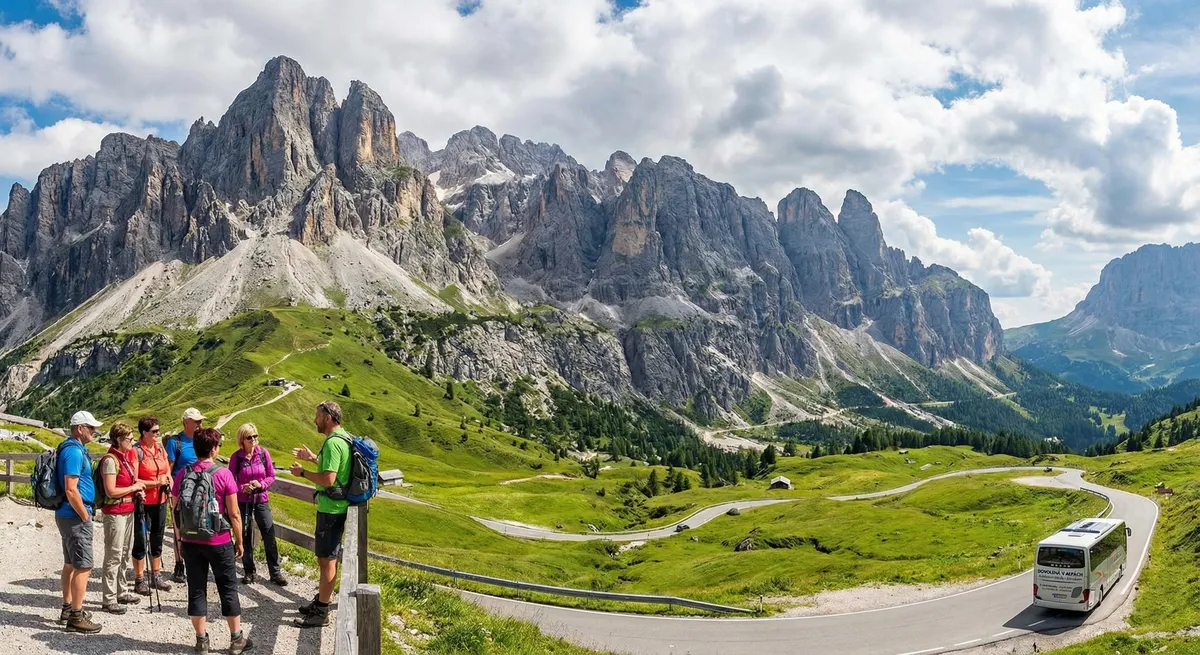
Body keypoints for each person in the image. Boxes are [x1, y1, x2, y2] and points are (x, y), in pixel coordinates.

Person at [172, 427, 252, 654]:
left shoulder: (183, 473)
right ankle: (236, 639)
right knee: (227, 587)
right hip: (218, 540)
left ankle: (201, 641)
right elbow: (234, 513)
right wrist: (239, 540)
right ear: (214, 449)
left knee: (196, 588)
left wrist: (179, 539)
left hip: (190, 541)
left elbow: (176, 509)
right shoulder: (223, 474)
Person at [290, 400, 351, 627]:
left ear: (327, 417)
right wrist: (313, 458)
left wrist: (303, 472)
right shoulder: (342, 437)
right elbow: (332, 468)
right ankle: (321, 600)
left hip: (332, 510)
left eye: (317, 416)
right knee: (324, 558)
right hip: (332, 509)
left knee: (327, 561)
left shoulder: (334, 443)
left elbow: (328, 478)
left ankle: (322, 612)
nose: (314, 420)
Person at [56, 411, 103, 633]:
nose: (95, 431)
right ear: (80, 428)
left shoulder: (68, 448)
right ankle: (76, 616)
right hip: (75, 515)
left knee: (69, 563)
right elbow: (71, 489)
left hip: (66, 515)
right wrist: (85, 516)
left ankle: (68, 607)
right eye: (91, 427)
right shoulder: (74, 452)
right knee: (84, 565)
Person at [230, 423, 286, 586]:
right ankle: (249, 571)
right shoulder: (236, 458)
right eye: (250, 437)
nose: (254, 440)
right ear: (242, 439)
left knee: (269, 534)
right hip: (243, 501)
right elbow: (231, 480)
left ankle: (275, 573)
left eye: (256, 436)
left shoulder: (263, 454)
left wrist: (261, 484)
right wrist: (242, 488)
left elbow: (271, 475)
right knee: (245, 535)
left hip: (261, 500)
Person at [98, 422, 145, 614]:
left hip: (128, 508)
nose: (132, 442)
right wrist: (133, 488)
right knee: (114, 553)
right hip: (115, 512)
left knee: (125, 551)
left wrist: (136, 492)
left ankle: (121, 590)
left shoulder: (124, 458)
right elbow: (111, 490)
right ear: (119, 439)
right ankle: (108, 598)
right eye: (129, 439)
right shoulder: (110, 460)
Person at [132, 415, 173, 595]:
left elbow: (167, 469)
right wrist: (157, 483)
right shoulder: (136, 451)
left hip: (160, 500)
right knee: (141, 539)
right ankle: (139, 578)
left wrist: (169, 480)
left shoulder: (159, 448)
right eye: (154, 431)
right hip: (143, 502)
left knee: (157, 537)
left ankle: (156, 575)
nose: (158, 434)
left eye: (158, 430)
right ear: (144, 433)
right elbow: (134, 479)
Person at [166, 407, 204, 584]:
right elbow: (169, 468)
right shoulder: (175, 442)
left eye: (200, 421)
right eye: (196, 421)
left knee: (198, 528)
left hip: (200, 491)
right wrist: (173, 491)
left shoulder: (201, 440)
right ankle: (179, 565)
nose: (199, 424)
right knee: (179, 529)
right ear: (186, 422)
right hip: (181, 492)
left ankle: (195, 564)